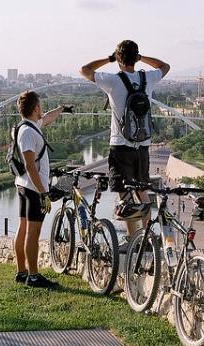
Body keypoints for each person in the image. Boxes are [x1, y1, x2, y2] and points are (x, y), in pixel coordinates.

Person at [80, 40, 170, 239]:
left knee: (125, 194)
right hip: (143, 146)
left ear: (119, 58)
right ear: (136, 57)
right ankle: (148, 238)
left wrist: (109, 59)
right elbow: (165, 66)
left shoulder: (112, 81)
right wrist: (142, 58)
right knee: (143, 191)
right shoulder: (148, 78)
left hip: (121, 146)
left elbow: (84, 70)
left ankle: (132, 241)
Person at [13, 90, 67, 288]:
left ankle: (21, 272)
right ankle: (33, 276)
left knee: (24, 228)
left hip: (23, 185)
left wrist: (61, 109)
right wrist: (43, 192)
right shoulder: (28, 133)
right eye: (40, 106)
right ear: (36, 108)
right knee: (32, 233)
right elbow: (29, 165)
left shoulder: (27, 125)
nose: (42, 109)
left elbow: (47, 118)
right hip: (34, 189)